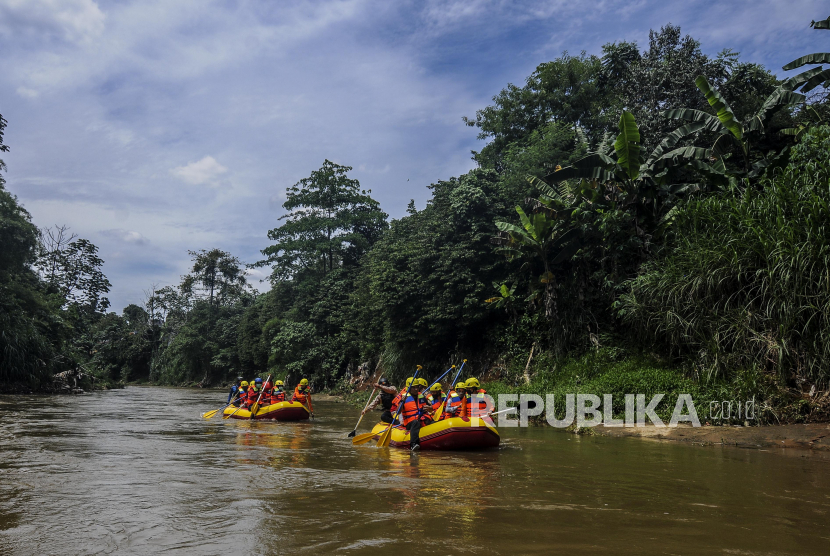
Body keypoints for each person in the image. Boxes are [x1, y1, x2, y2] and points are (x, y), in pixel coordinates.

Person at [401, 381, 434, 451]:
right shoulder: (404, 397)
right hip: (410, 423)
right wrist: (402, 402)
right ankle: (413, 444)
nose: (416, 389)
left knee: (431, 421)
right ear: (409, 388)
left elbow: (430, 408)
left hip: (421, 419)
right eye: (413, 388)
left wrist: (430, 408)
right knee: (415, 423)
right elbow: (398, 411)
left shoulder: (421, 396)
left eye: (417, 387)